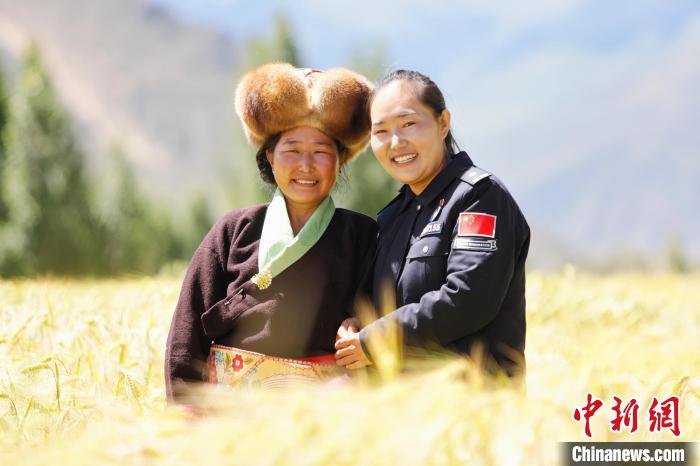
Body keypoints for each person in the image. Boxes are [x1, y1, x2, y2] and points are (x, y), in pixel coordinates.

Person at [165, 63, 377, 402]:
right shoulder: (234, 230)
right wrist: (186, 409)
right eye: (292, 149)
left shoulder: (363, 235)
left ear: (340, 161)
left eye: (321, 151)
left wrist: (361, 328)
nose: (306, 165)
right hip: (231, 410)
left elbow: (381, 314)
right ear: (270, 157)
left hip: (324, 410)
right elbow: (186, 331)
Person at [334, 70, 530, 378]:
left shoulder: (479, 198)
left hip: (473, 400)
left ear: (442, 123)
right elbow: (384, 302)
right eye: (381, 131)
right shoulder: (392, 216)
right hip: (401, 401)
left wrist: (377, 339)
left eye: (408, 124)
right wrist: (358, 324)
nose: (396, 142)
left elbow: (467, 299)